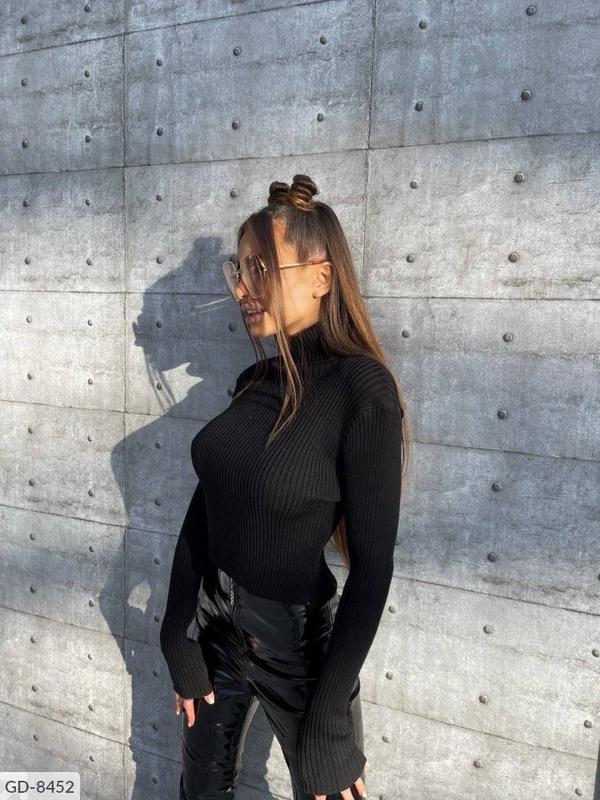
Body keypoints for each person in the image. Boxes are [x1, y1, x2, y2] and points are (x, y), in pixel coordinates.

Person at [159, 174, 409, 800]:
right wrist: (176, 632)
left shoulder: (362, 391)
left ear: (321, 276)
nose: (243, 289)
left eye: (261, 269)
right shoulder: (254, 381)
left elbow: (372, 570)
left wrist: (327, 718)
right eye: (239, 271)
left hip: (299, 650)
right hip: (215, 626)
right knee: (199, 789)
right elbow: (207, 508)